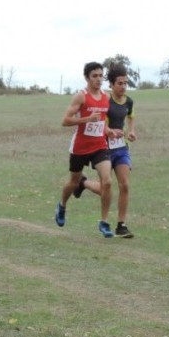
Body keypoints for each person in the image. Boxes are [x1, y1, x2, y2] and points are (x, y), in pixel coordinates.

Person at [73, 64, 137, 238]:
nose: (123, 87)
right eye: (120, 83)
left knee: (125, 185)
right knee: (105, 188)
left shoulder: (129, 101)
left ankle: (121, 225)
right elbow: (99, 121)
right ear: (111, 84)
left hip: (121, 148)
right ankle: (83, 183)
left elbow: (130, 117)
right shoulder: (105, 100)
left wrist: (131, 131)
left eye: (126, 83)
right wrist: (108, 130)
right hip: (103, 147)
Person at [55, 62, 115, 238]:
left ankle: (104, 222)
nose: (98, 79)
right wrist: (86, 119)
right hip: (80, 147)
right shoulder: (81, 97)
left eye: (100, 75)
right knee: (72, 182)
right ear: (87, 78)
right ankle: (62, 206)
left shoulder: (106, 97)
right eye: (94, 76)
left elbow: (102, 121)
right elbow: (65, 120)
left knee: (108, 182)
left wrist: (108, 131)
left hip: (99, 145)